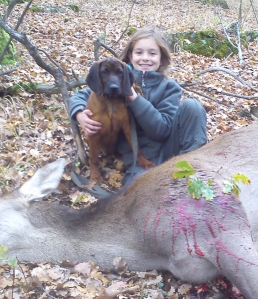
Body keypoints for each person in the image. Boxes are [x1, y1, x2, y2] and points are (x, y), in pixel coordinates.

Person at [69, 28, 208, 185]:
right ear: (130, 56)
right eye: (139, 52)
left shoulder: (169, 87)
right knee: (139, 197)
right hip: (137, 162)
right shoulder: (116, 82)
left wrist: (133, 97)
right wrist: (80, 114)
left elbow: (161, 131)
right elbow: (81, 96)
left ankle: (195, 170)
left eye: (152, 53)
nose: (145, 58)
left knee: (193, 106)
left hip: (170, 150)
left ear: (161, 58)